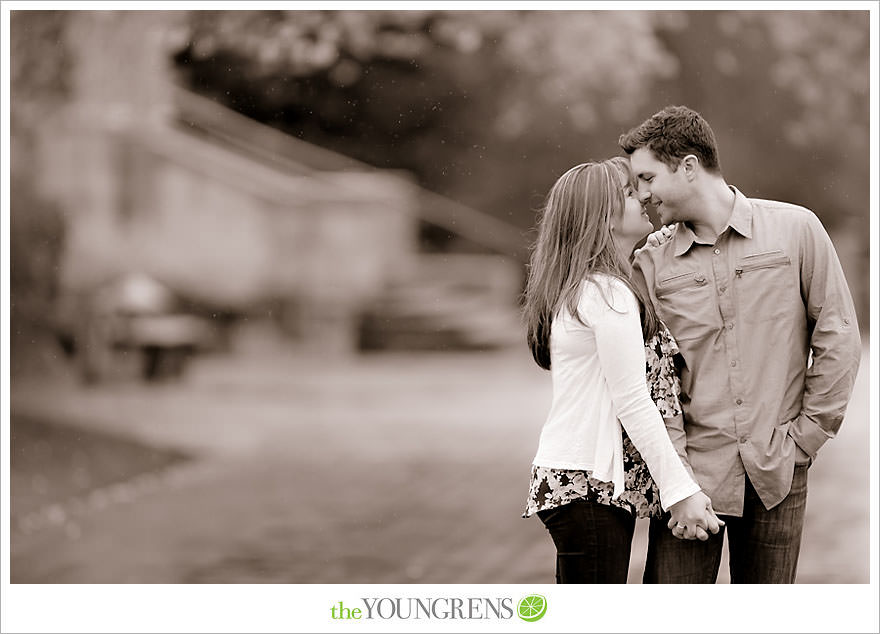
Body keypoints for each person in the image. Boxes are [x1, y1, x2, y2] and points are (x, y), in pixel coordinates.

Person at [620, 105, 862, 583]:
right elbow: (652, 381)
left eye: (648, 178)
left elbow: (838, 336)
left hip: (778, 471)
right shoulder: (649, 262)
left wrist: (806, 440)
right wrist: (674, 477)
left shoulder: (797, 231)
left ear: (688, 166)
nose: (643, 195)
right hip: (689, 482)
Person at [521, 157, 723, 583]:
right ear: (606, 218)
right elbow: (632, 400)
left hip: (577, 484)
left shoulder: (591, 287)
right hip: (588, 487)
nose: (643, 198)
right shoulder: (607, 292)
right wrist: (681, 492)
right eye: (631, 194)